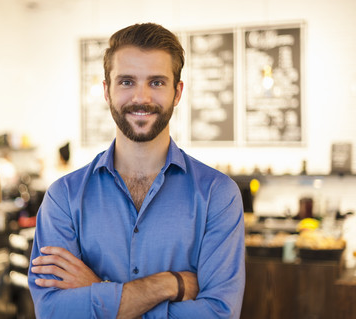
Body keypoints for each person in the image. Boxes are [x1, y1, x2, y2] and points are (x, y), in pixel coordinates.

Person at [28, 22, 246, 318]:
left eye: (156, 82)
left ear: (177, 92)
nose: (141, 98)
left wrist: (97, 289)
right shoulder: (63, 197)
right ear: (107, 91)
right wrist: (166, 285)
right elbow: (52, 312)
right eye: (127, 82)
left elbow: (219, 314)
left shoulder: (218, 195)